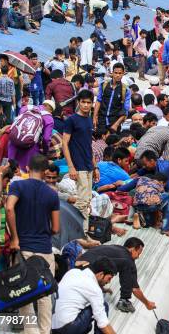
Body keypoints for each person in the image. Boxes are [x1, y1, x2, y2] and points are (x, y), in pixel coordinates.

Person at [5, 154, 59, 334]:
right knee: (45, 295)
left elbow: (10, 207)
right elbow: (56, 228)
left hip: (22, 250)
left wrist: (15, 238)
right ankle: (45, 331)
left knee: (24, 295)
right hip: (44, 249)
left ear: (28, 168)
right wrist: (44, 231)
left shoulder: (17, 185)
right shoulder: (52, 194)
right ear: (45, 172)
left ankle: (31, 332)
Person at [77, 238, 156, 313]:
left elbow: (98, 264)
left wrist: (101, 287)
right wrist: (147, 303)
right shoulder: (128, 259)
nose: (138, 257)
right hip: (85, 272)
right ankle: (124, 301)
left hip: (77, 266)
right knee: (126, 264)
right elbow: (135, 289)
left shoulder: (115, 248)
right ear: (132, 249)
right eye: (138, 253)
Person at [52, 257, 118, 334]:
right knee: (104, 305)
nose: (109, 282)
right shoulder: (94, 289)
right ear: (101, 274)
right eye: (109, 278)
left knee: (88, 326)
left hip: (53, 326)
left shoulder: (73, 272)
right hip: (66, 328)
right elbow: (103, 323)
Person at [63, 90, 98, 234]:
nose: (85, 105)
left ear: (91, 104)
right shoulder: (72, 120)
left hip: (88, 165)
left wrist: (95, 167)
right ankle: (76, 232)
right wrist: (71, 166)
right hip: (78, 166)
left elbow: (89, 145)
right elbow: (65, 143)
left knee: (87, 200)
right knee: (81, 202)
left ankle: (82, 232)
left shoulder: (89, 120)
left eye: (88, 102)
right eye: (83, 102)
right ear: (78, 103)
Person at [93, 63, 131, 132]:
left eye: (120, 73)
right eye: (116, 73)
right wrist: (94, 117)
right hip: (101, 121)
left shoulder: (126, 90)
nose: (118, 75)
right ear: (112, 73)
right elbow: (98, 101)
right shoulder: (103, 85)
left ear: (123, 74)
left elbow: (125, 110)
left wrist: (116, 125)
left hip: (115, 122)